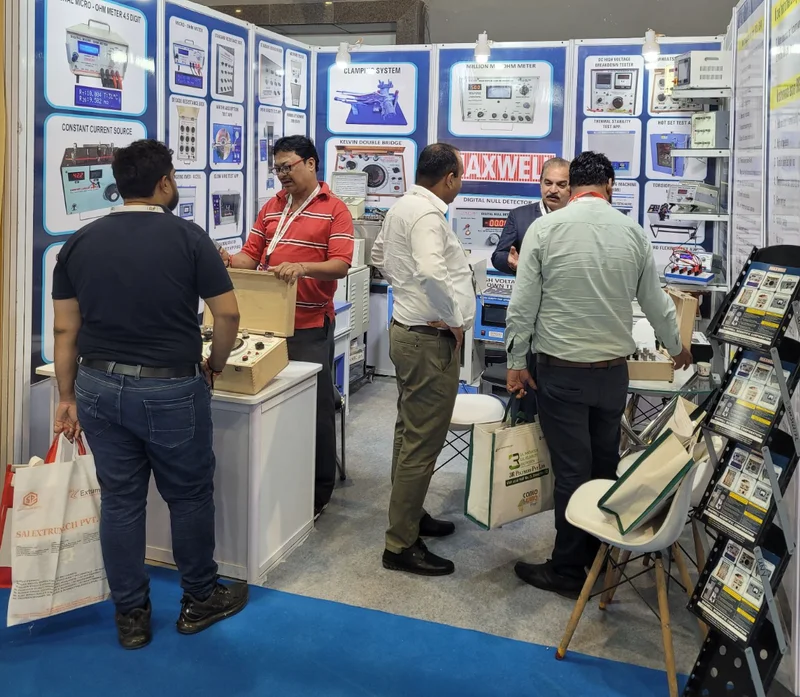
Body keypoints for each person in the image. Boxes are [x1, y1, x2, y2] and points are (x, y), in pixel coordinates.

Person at [51, 139, 247, 650]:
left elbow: (65, 330)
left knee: (120, 500)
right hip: (170, 387)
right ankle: (199, 598)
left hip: (96, 385)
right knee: (188, 496)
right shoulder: (188, 237)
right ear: (164, 183)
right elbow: (227, 314)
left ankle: (131, 616)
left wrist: (66, 397)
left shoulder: (79, 243)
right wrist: (216, 365)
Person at [504, 151, 693, 598]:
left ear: (572, 186)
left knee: (572, 471)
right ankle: (599, 556)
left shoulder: (544, 230)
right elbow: (656, 302)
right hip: (612, 376)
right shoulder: (632, 232)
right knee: (604, 463)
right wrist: (677, 347)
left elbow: (523, 306)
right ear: (611, 185)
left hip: (561, 373)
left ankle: (569, 571)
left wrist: (515, 363)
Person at [218, 135, 354, 518]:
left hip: (309, 326)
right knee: (270, 405)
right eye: (277, 168)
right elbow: (251, 256)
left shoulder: (334, 209)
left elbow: (341, 264)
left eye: (287, 167)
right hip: (266, 325)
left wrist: (302, 267)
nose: (282, 175)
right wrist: (228, 259)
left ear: (310, 163)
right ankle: (277, 480)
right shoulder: (272, 206)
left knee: (315, 408)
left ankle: (317, 492)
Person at [371, 143, 475, 577]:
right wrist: (453, 319)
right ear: (449, 178)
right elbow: (432, 273)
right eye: (460, 176)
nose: (460, 183)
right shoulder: (429, 215)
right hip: (429, 340)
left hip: (408, 332)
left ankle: (409, 516)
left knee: (408, 432)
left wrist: (408, 291)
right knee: (423, 441)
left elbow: (378, 256)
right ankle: (400, 543)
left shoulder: (402, 206)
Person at [491, 157, 571, 275]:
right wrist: (510, 261)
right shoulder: (519, 216)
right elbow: (498, 256)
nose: (553, 190)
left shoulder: (580, 218)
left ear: (572, 187)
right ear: (540, 183)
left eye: (561, 185)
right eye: (548, 183)